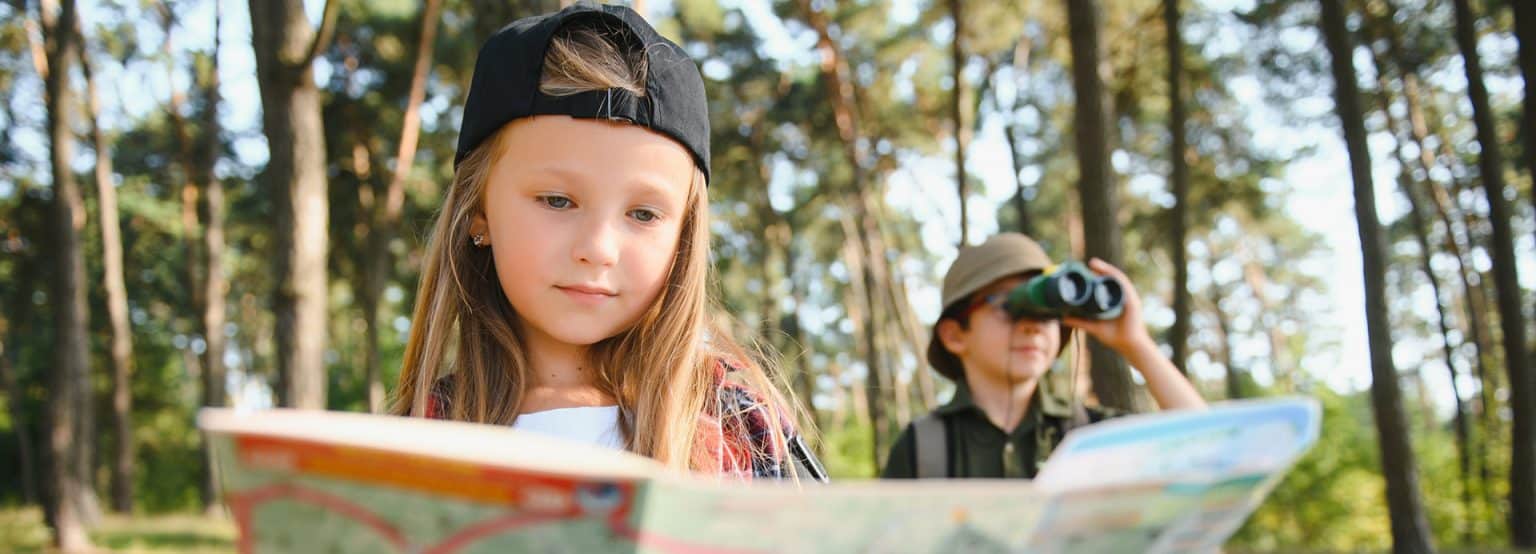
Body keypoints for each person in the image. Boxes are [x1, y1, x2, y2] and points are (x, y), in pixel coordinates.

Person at [389, 2, 824, 482]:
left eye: (642, 213)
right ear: (479, 213)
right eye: (557, 201)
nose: (598, 248)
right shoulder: (409, 444)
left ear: (684, 233)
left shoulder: (741, 433)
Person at [881, 233, 1205, 479]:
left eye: (1046, 312)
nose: (1033, 327)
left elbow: (1211, 451)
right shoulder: (923, 446)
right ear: (954, 334)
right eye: (1011, 306)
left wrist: (1136, 344)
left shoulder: (1094, 436)